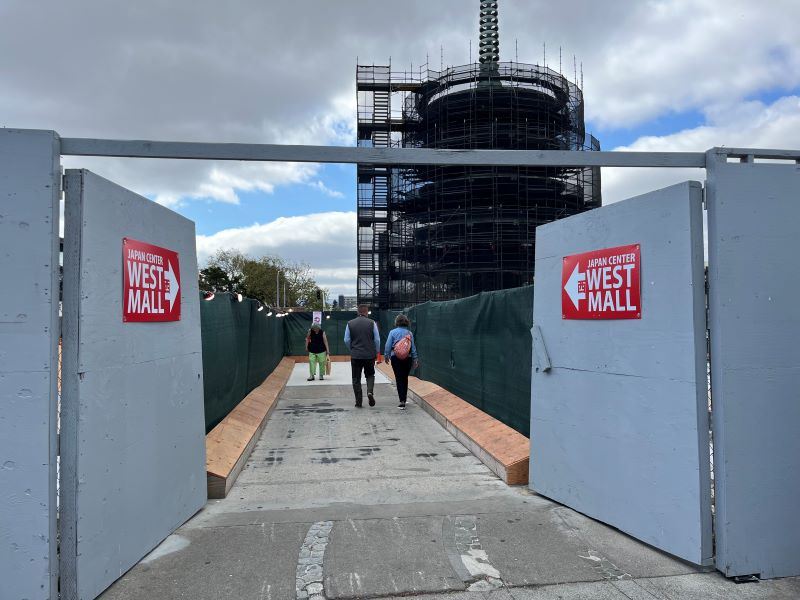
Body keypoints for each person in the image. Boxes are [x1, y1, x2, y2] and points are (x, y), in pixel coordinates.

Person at [344, 305, 380, 407]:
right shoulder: (372, 323)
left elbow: (346, 340)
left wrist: (352, 348)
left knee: (356, 378)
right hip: (369, 355)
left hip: (356, 355)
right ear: (366, 312)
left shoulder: (350, 323)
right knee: (370, 375)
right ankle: (369, 392)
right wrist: (376, 351)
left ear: (357, 312)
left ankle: (358, 401)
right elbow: (377, 339)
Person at [383, 314, 419, 410]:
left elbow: (388, 345)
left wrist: (386, 355)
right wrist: (415, 359)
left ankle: (402, 401)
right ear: (406, 322)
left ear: (397, 322)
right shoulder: (409, 333)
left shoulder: (392, 332)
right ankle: (404, 398)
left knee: (399, 378)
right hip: (408, 358)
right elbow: (413, 347)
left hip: (396, 358)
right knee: (404, 378)